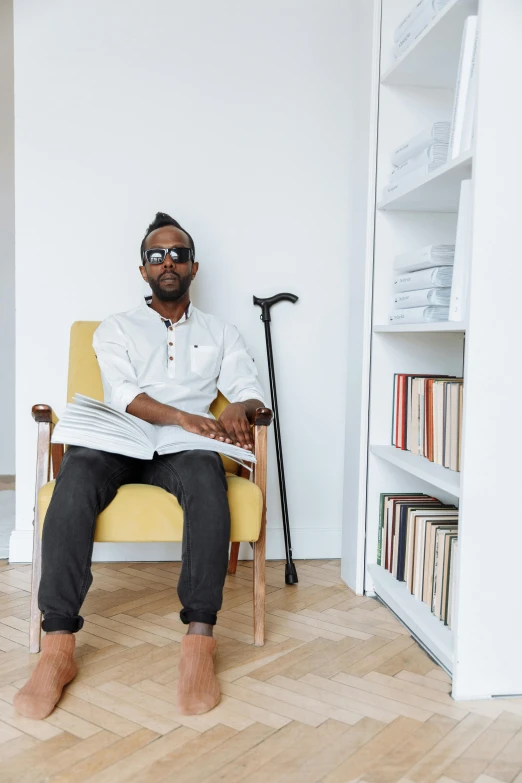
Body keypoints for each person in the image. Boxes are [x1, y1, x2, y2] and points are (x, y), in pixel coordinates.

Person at [14, 212, 266, 720]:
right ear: (143, 270)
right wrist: (186, 416)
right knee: (76, 476)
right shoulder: (115, 328)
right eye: (157, 255)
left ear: (194, 266)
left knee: (205, 478)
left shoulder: (222, 332)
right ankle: (57, 648)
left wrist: (241, 404)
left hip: (182, 447)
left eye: (177, 254)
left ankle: (199, 644)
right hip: (120, 438)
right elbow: (126, 395)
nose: (167, 262)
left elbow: (245, 387)